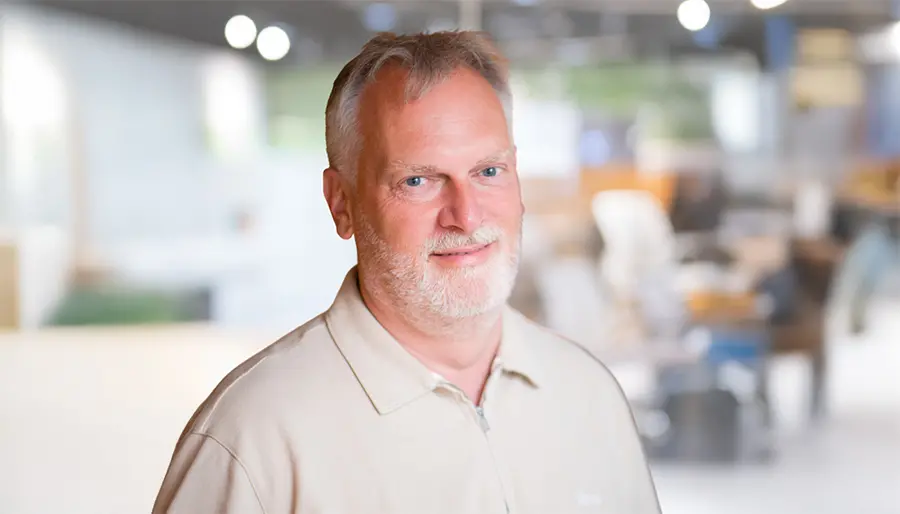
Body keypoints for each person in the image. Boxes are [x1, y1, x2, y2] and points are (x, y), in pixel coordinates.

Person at [152, 31, 660, 514]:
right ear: (341, 203)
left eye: (488, 171)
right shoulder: (252, 437)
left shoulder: (589, 395)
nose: (467, 216)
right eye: (418, 180)